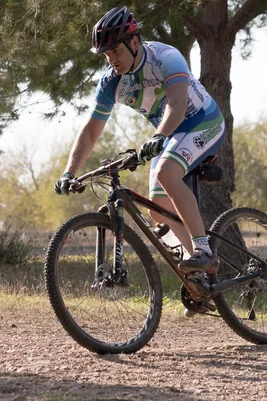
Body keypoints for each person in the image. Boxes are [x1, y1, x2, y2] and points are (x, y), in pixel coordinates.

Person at [54, 6, 226, 273]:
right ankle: (197, 274)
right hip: (169, 134)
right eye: (107, 54)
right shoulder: (111, 83)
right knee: (157, 211)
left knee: (165, 172)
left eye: (116, 51)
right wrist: (69, 172)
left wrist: (159, 136)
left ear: (134, 42)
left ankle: (203, 250)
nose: (112, 60)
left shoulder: (166, 57)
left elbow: (177, 104)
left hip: (202, 120)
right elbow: (90, 131)